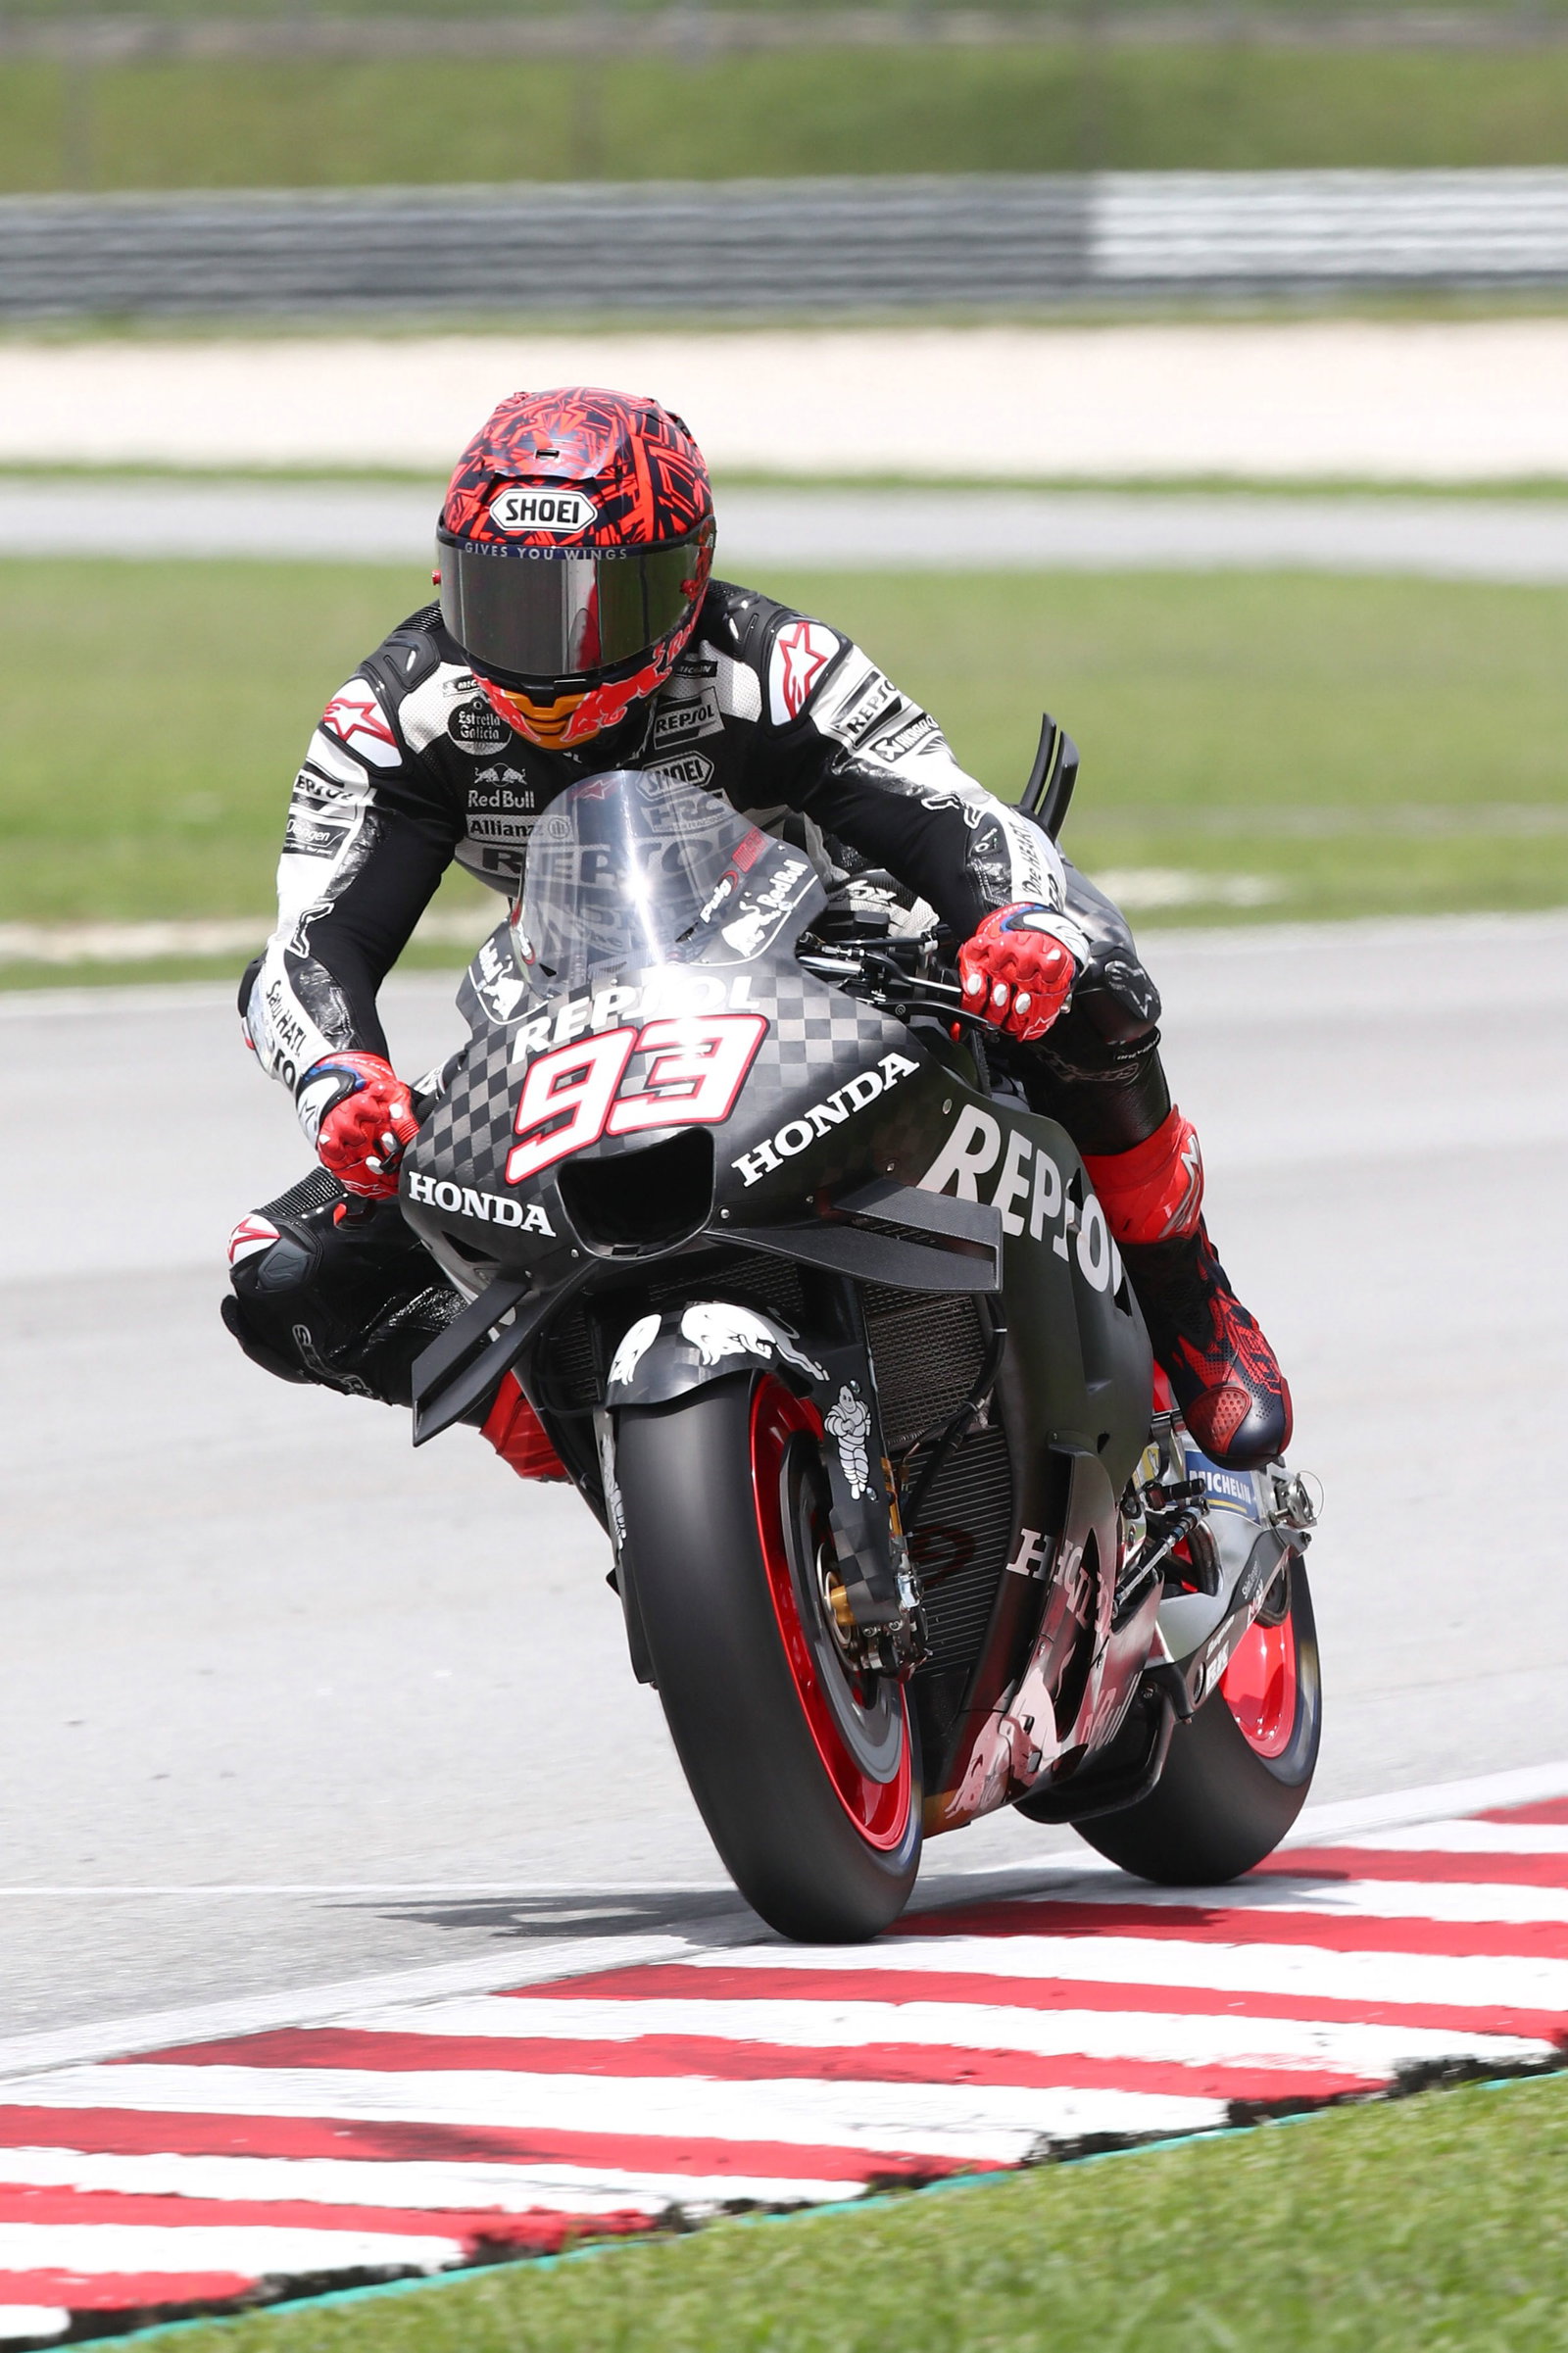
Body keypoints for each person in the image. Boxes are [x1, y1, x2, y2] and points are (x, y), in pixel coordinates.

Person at [224, 386, 1290, 1476]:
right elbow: (308, 943)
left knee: (1087, 975)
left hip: (824, 979)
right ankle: (581, 1426)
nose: (545, 655)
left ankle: (1188, 1299)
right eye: (501, 601)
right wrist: (339, 1076)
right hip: (575, 1022)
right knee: (283, 1271)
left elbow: (949, 809)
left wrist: (1013, 924)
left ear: (685, 582)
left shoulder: (772, 664)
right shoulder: (395, 714)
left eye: (596, 606)